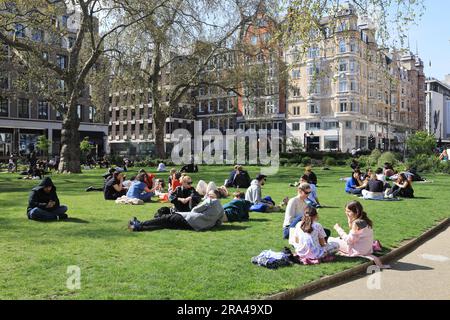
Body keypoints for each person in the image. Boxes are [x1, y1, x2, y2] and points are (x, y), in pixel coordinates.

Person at [128, 190, 224, 232]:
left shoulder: (211, 201)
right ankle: (140, 227)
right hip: (197, 226)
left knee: (165, 218)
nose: (208, 196)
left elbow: (195, 209)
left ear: (215, 197)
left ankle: (138, 225)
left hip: (190, 219)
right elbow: (219, 222)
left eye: (210, 195)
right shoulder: (221, 208)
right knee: (166, 224)